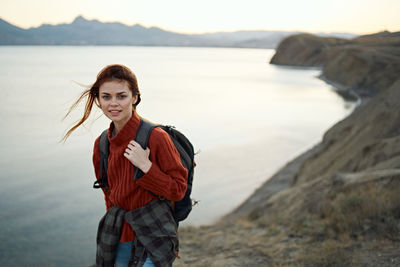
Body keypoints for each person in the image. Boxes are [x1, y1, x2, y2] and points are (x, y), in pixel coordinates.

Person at [63, 64, 188, 267]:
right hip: (119, 234)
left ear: (135, 97)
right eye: (106, 97)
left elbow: (178, 190)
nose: (114, 104)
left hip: (154, 232)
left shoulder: (156, 137)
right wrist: (115, 229)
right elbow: (108, 193)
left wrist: (146, 167)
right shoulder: (102, 143)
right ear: (98, 100)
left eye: (121, 96)